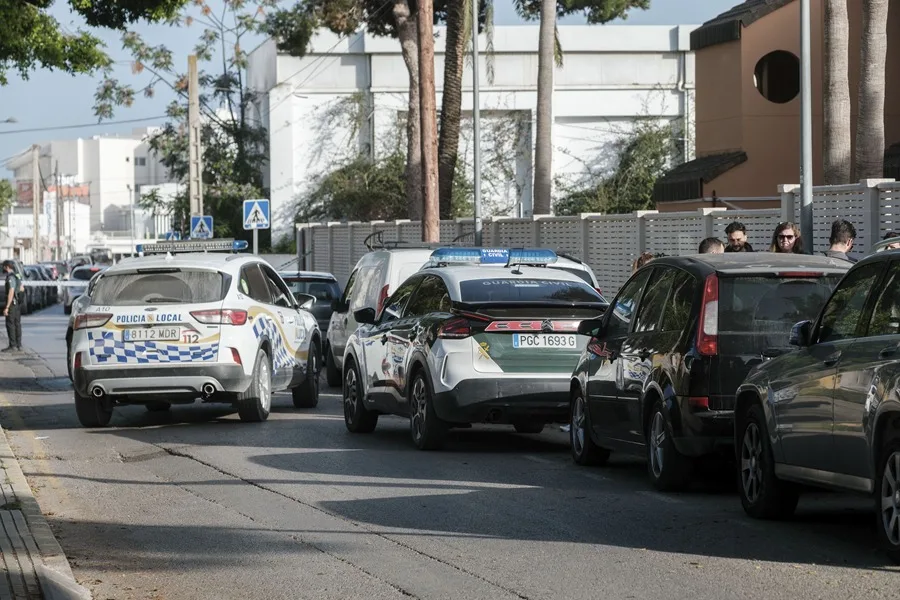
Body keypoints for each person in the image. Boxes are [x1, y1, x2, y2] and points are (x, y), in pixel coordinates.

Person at [2, 260, 22, 352]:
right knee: (17, 324)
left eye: (3, 266)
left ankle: (12, 345)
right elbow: (22, 288)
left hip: (12, 304)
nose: (3, 268)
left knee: (10, 324)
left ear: (7, 267)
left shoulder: (10, 277)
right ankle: (18, 345)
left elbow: (11, 291)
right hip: (17, 303)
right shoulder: (17, 276)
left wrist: (7, 306)